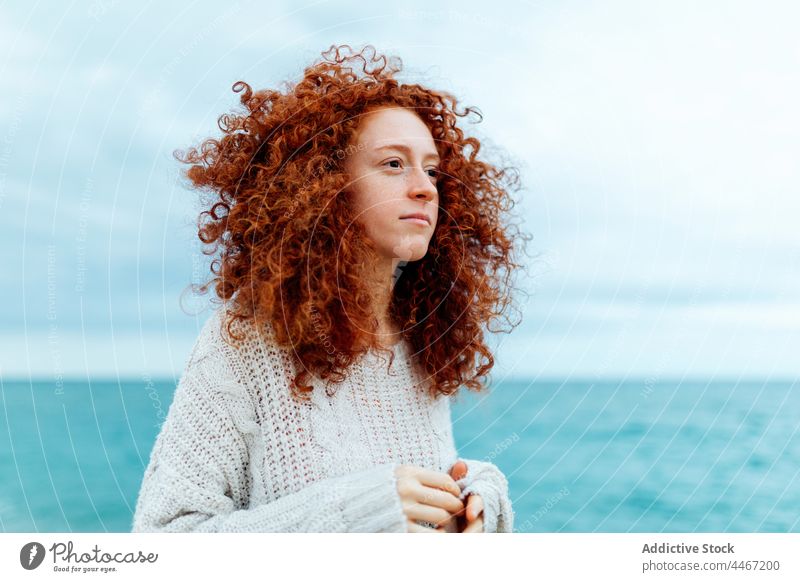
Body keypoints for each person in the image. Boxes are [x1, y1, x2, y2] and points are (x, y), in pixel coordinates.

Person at [132, 44, 528, 533]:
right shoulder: (244, 340)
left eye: (431, 169)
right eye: (393, 164)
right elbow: (161, 541)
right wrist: (361, 512)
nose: (425, 187)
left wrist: (475, 497)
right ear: (326, 183)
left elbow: (412, 496)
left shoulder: (418, 335)